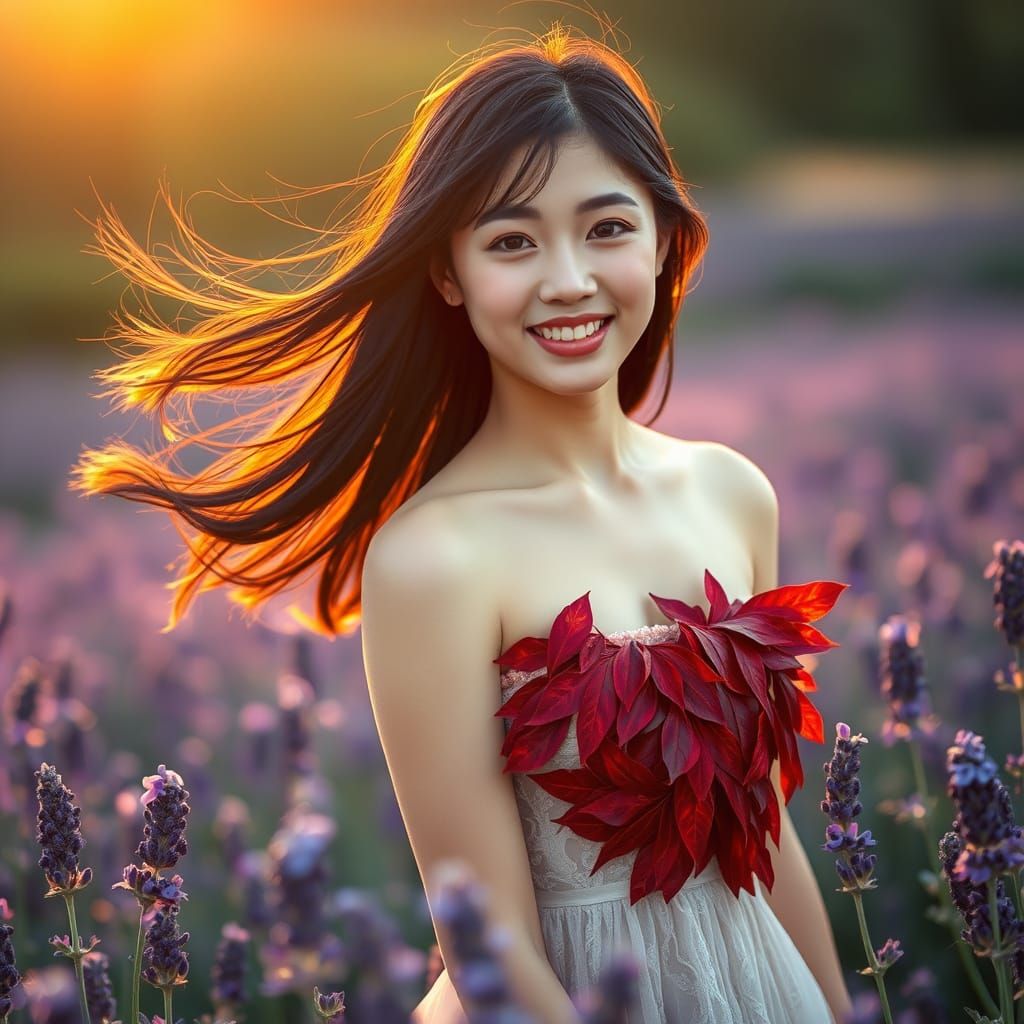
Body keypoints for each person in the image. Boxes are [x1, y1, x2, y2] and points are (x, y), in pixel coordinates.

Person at [70, 19, 854, 1024]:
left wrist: (839, 1008)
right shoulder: (435, 556)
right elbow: (485, 936)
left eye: (607, 228)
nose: (566, 278)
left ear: (664, 242)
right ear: (448, 274)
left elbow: (762, 834)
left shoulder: (733, 494)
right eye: (512, 241)